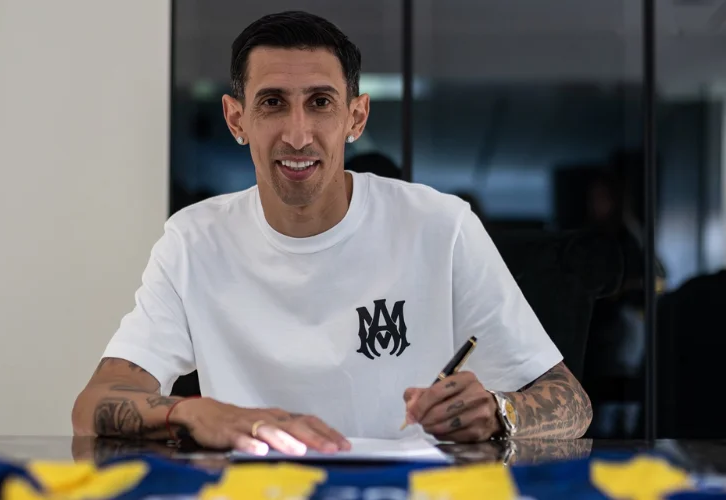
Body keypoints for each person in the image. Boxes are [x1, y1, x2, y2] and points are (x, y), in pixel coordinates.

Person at [72, 11, 592, 456]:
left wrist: (500, 412)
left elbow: (572, 404)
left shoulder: (441, 226)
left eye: (320, 102)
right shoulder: (193, 241)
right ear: (236, 119)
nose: (298, 135)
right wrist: (191, 412)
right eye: (272, 102)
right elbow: (94, 404)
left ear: (356, 116)